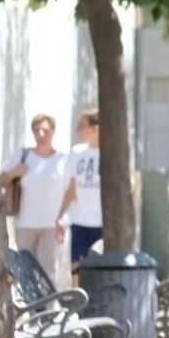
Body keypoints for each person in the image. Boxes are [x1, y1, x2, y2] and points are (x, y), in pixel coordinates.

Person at [1, 114, 71, 285]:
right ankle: (32, 311)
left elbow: (71, 193)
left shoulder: (63, 160)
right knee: (25, 271)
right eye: (37, 130)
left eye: (45, 130)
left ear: (53, 132)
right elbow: (0, 180)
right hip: (25, 223)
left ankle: (48, 311)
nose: (41, 134)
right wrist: (14, 173)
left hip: (51, 225)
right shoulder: (23, 155)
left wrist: (63, 220)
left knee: (48, 274)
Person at [55, 109, 102, 275]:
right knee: (77, 266)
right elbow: (71, 189)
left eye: (82, 126)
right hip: (80, 220)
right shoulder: (77, 153)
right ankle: (79, 300)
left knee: (99, 267)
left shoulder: (109, 153)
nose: (78, 130)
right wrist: (60, 216)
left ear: (95, 128)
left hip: (102, 223)